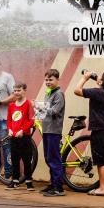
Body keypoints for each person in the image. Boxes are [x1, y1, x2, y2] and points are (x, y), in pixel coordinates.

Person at [75, 70, 104, 196]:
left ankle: (103, 188)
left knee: (101, 161)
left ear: (101, 82)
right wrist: (97, 79)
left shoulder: (97, 92)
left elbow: (77, 90)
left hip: (100, 130)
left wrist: (85, 78)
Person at [4, 82, 35, 191]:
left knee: (27, 160)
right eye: (15, 90)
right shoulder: (11, 105)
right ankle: (15, 181)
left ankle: (28, 181)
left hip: (24, 137)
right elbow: (9, 120)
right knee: (14, 159)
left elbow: (32, 120)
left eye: (19, 90)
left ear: (24, 90)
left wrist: (22, 130)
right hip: (14, 137)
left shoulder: (28, 104)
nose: (16, 92)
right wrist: (10, 130)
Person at [41, 69, 66, 197]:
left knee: (54, 159)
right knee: (48, 157)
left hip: (54, 130)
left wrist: (40, 107)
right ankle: (53, 183)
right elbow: (45, 111)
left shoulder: (59, 94)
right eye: (46, 80)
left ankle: (58, 188)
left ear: (57, 80)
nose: (48, 82)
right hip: (46, 129)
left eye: (51, 80)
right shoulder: (48, 93)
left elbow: (54, 111)